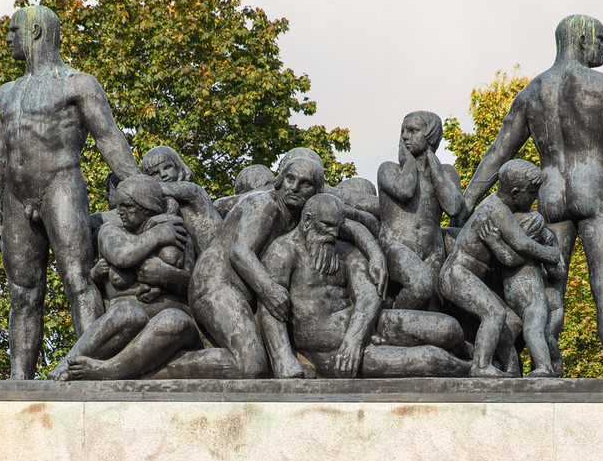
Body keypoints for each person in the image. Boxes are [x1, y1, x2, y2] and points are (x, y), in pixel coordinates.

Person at [460, 15, 603, 378]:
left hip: (549, 197)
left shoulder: (532, 93)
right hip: (597, 194)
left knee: (546, 293)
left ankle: (543, 368)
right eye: (601, 39)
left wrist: (468, 200)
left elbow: (499, 152)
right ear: (581, 41)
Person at [0, 5, 142, 379]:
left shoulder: (78, 83)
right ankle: (19, 380)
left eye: (12, 30)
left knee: (78, 280)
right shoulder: (5, 93)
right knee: (22, 293)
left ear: (35, 32)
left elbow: (109, 140)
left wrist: (139, 187)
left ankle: (89, 371)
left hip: (61, 185)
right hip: (17, 197)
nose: (7, 37)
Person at [187, 150, 384, 377]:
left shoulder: (307, 213)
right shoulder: (264, 206)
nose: (294, 187)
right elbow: (240, 252)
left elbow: (350, 224)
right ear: (280, 180)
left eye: (304, 183)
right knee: (251, 366)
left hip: (245, 293)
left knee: (255, 362)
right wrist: (268, 289)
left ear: (316, 191)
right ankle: (168, 367)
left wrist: (376, 255)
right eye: (290, 179)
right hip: (215, 286)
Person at [260, 194, 469, 379]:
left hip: (365, 330)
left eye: (338, 226)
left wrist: (354, 339)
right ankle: (471, 369)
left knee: (448, 328)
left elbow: (368, 296)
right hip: (334, 353)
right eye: (327, 225)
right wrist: (283, 359)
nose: (333, 234)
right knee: (429, 359)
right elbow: (271, 308)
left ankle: (477, 356)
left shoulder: (345, 250)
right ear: (307, 221)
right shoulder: (283, 251)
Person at [50, 176, 203, 380]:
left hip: (169, 323)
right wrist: (157, 235)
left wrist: (166, 276)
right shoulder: (110, 232)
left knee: (176, 321)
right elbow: (122, 256)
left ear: (146, 207)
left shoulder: (177, 232)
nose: (119, 211)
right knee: (128, 313)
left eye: (127, 206)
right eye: (118, 205)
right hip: (124, 319)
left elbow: (194, 284)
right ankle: (68, 364)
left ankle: (106, 370)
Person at [439, 159, 564, 376]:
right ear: (515, 194)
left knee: (512, 321)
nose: (536, 198)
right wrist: (551, 254)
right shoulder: (496, 209)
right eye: (533, 192)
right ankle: (480, 367)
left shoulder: (497, 206)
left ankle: (511, 371)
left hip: (468, 276)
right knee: (494, 313)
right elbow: (522, 245)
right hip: (457, 275)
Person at [377, 111, 464, 315]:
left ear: (431, 136)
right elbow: (405, 190)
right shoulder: (388, 169)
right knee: (419, 286)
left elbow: (453, 207)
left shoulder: (446, 172)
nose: (405, 136)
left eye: (413, 131)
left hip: (432, 252)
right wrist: (408, 163)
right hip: (396, 247)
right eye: (403, 131)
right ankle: (390, 322)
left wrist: (436, 172)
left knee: (434, 311)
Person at [139, 145, 222, 255]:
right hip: (202, 260)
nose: (163, 174)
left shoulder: (193, 190)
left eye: (167, 167)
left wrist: (136, 183)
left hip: (219, 253)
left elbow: (153, 188)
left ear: (178, 166)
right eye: (155, 173)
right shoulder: (167, 205)